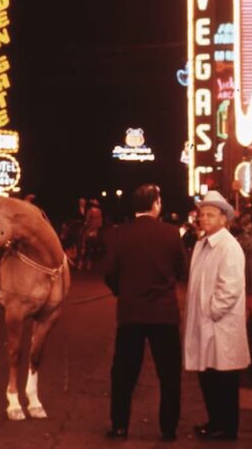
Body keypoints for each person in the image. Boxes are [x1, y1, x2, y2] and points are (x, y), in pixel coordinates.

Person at [102, 184, 187, 442]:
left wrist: (123, 291)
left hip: (131, 313)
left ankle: (119, 426)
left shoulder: (119, 234)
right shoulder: (172, 234)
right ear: (156, 204)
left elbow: (109, 272)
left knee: (124, 373)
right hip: (164, 314)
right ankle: (168, 428)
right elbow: (181, 270)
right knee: (169, 374)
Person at [185, 190, 249, 441]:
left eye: (211, 214)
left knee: (224, 380)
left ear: (224, 219)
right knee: (209, 376)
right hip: (206, 325)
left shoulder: (229, 247)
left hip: (219, 325)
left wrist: (211, 310)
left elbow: (230, 288)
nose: (205, 219)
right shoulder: (202, 244)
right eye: (202, 214)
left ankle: (226, 427)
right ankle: (215, 423)